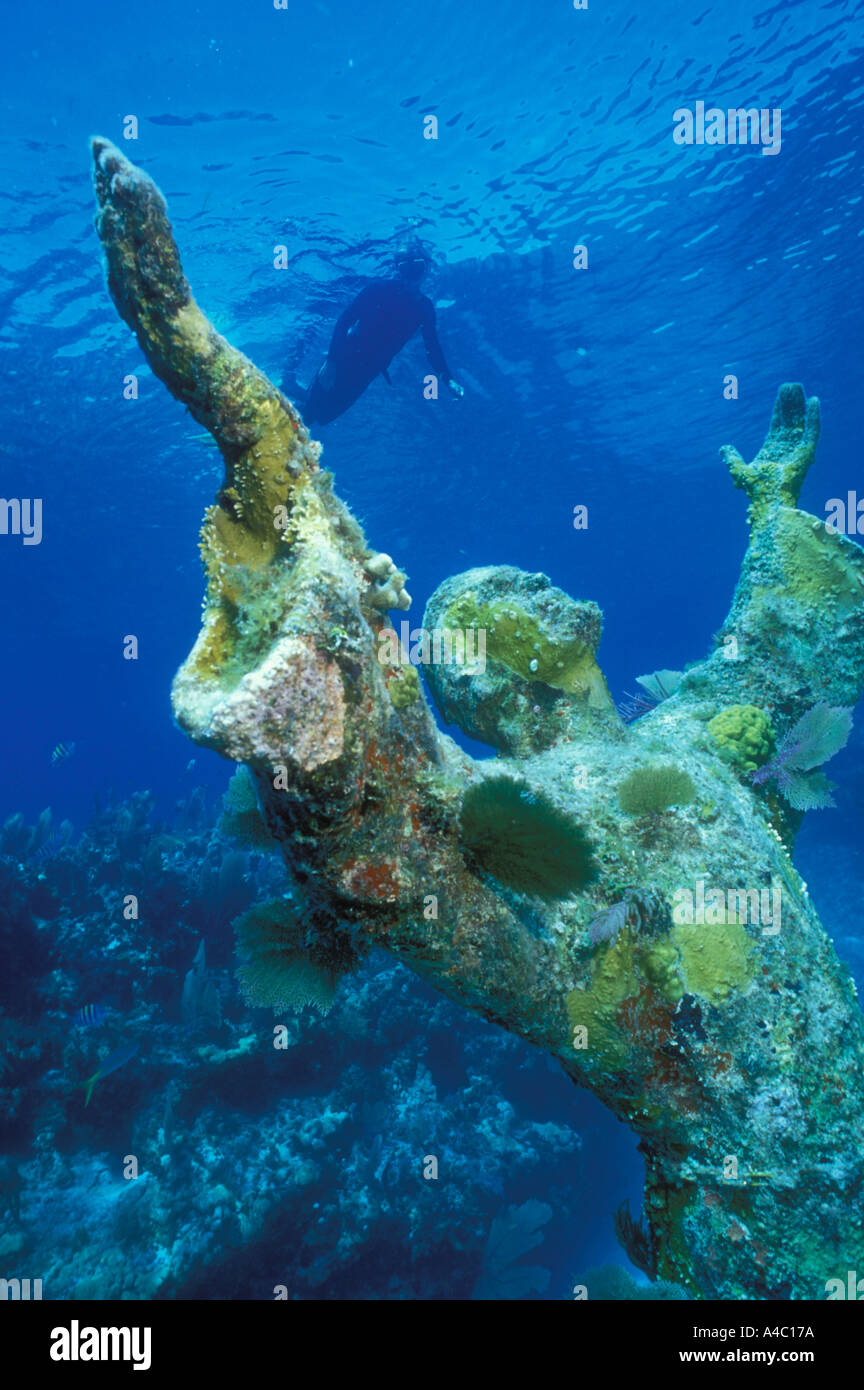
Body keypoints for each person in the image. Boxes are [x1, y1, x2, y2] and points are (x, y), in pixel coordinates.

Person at [294, 245, 463, 425]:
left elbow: (432, 348)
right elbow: (345, 320)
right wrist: (332, 361)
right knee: (308, 413)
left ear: (427, 269)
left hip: (370, 370)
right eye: (407, 269)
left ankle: (292, 390)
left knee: (325, 418)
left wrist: (448, 379)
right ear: (398, 270)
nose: (411, 277)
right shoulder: (378, 290)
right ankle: (282, 395)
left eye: (417, 268)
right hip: (345, 359)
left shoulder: (424, 308)